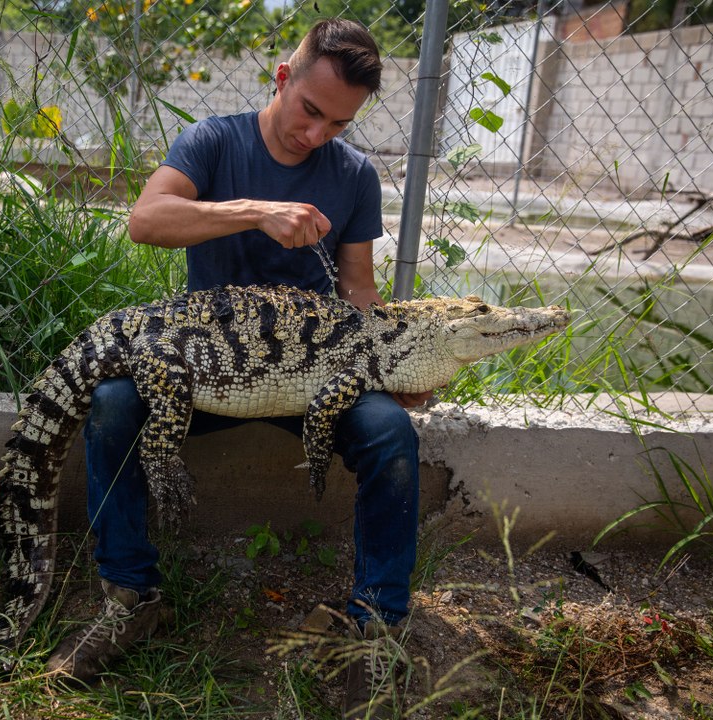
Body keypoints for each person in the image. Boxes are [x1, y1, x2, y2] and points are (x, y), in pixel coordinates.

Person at [45, 18, 428, 719]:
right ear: (283, 78)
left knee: (390, 435)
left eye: (337, 124)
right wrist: (255, 211)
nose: (316, 135)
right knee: (113, 407)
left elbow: (360, 293)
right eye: (310, 111)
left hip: (311, 374)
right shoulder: (213, 141)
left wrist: (397, 364)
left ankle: (376, 627)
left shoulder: (354, 177)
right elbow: (147, 219)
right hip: (207, 368)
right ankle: (132, 599)